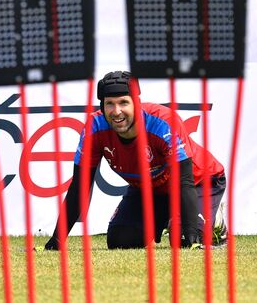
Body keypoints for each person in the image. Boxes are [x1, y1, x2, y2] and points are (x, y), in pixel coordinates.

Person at [44, 71, 227, 250]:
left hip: (199, 181)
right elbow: (79, 187)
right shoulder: (94, 128)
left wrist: (191, 232)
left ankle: (214, 221)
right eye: (109, 104)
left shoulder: (162, 122)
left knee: (183, 241)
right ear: (102, 106)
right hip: (150, 187)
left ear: (136, 103)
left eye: (124, 102)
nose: (116, 112)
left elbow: (184, 182)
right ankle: (171, 218)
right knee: (120, 240)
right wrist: (57, 240)